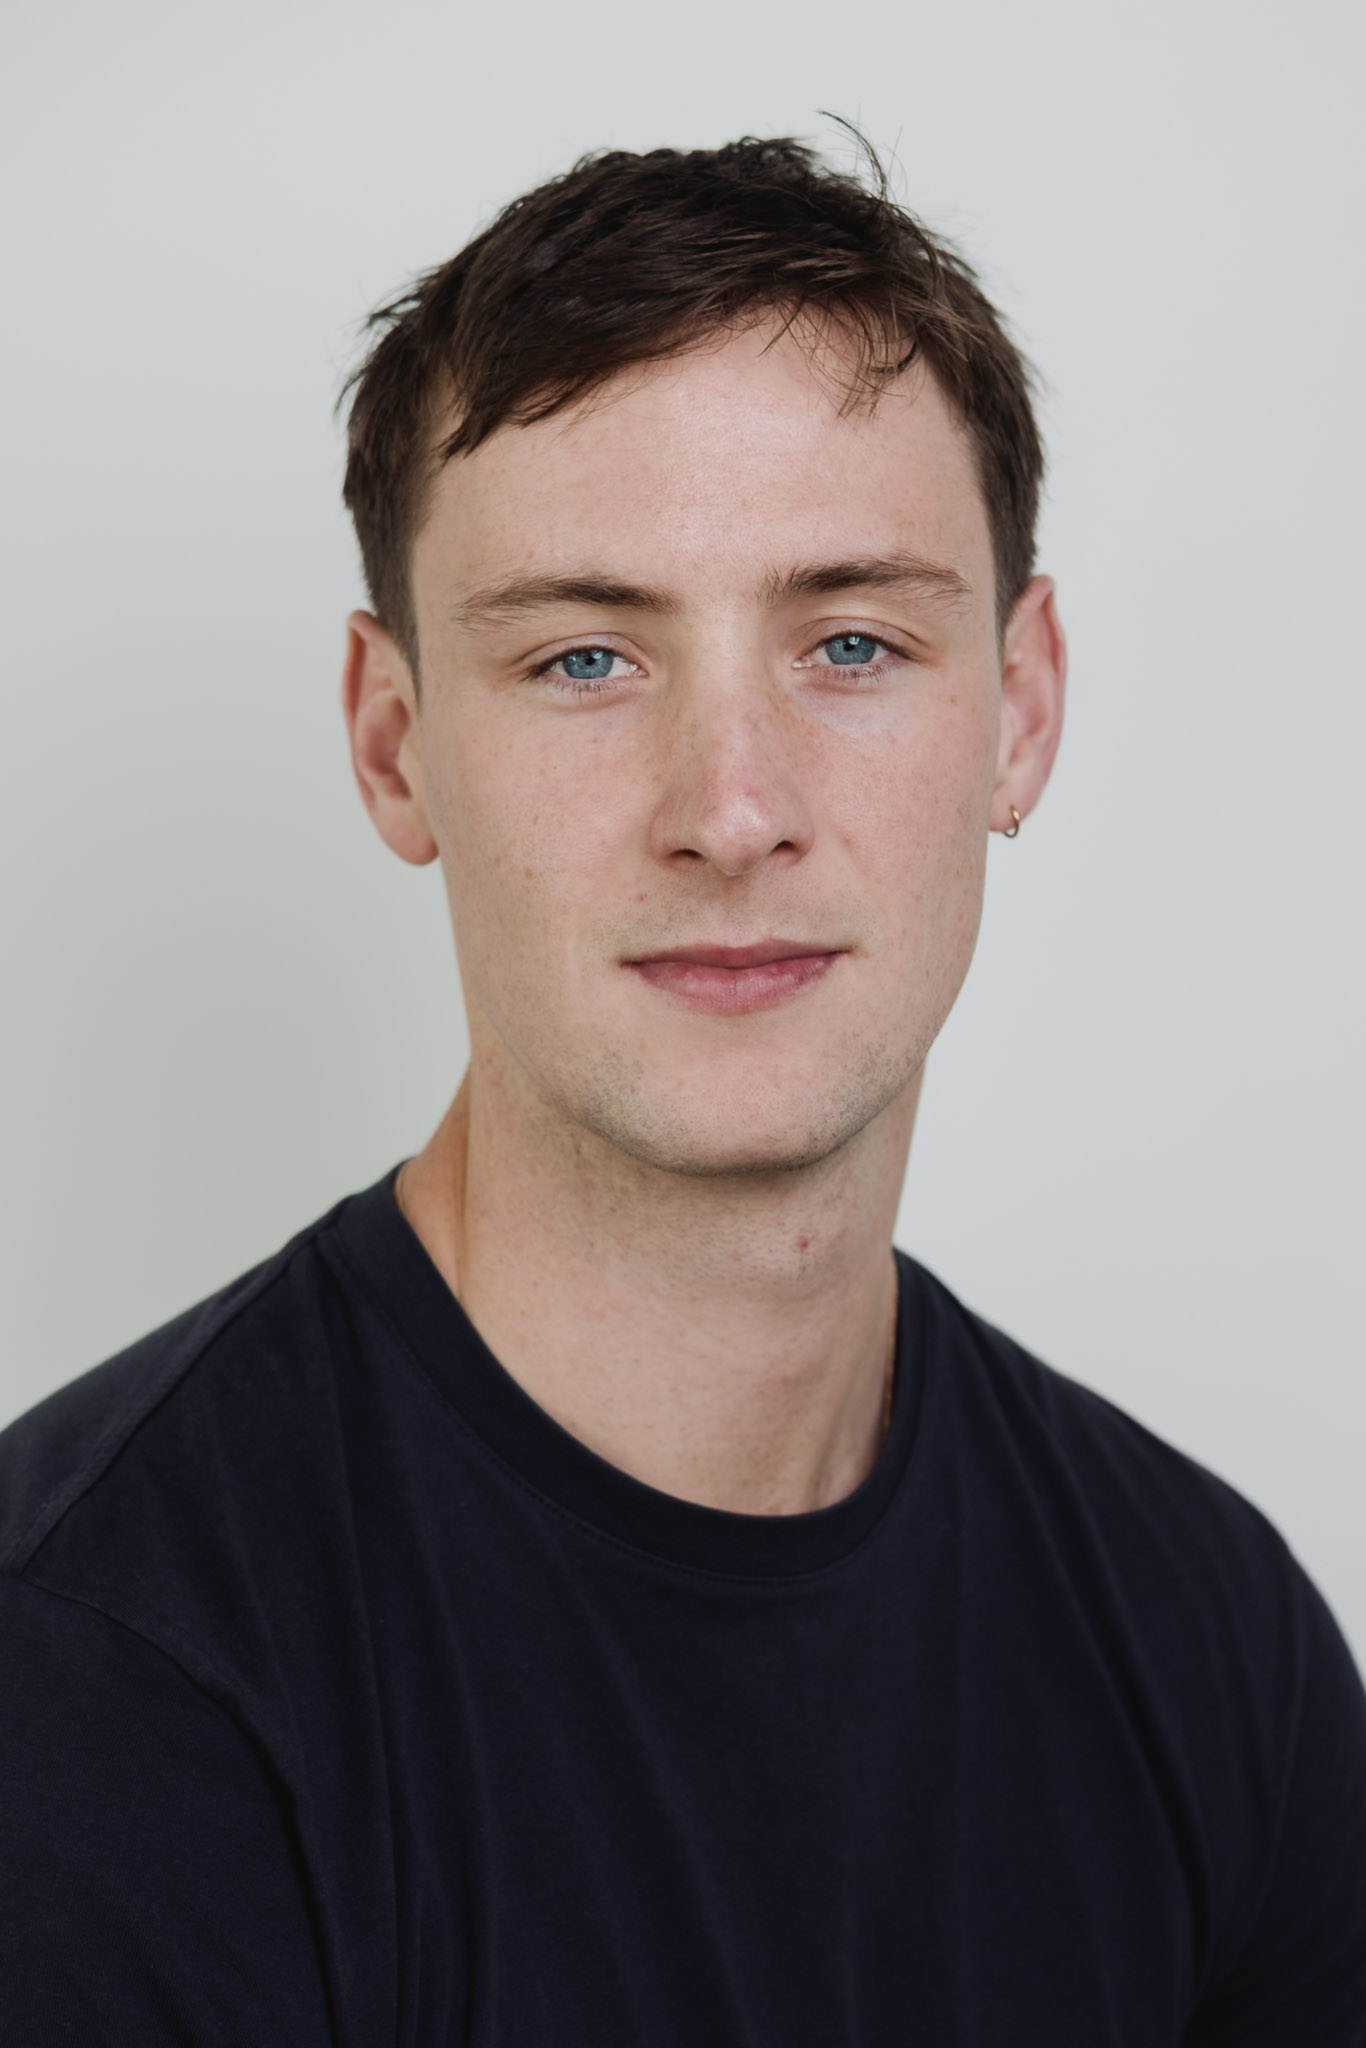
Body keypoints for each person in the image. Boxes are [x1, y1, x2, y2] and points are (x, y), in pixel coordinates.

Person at [1, 133, 1363, 2045]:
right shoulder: (89, 1679)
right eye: (581, 656)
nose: (731, 809)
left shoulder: (1217, 1644)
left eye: (854, 642)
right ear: (395, 749)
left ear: (1020, 706)